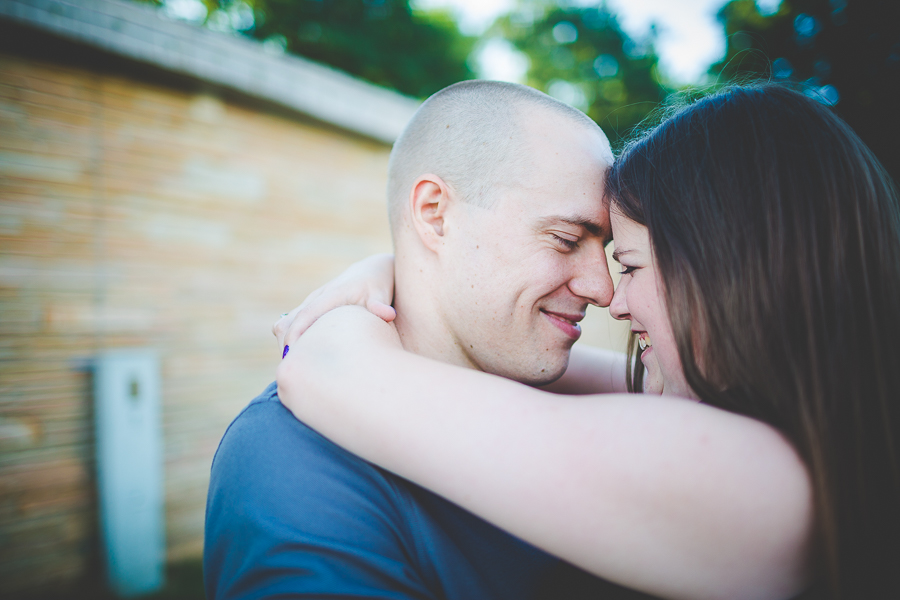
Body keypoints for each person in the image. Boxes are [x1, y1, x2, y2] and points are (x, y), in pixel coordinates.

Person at [275, 84, 900, 600]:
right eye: (566, 240)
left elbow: (324, 368)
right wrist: (398, 269)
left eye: (627, 264)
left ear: (730, 269)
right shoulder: (832, 429)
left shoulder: (758, 480)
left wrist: (382, 284)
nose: (610, 296)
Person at [205, 80, 659, 599]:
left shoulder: (583, 398)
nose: (603, 289)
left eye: (606, 250)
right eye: (565, 239)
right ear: (434, 215)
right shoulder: (293, 459)